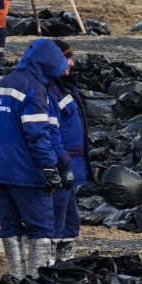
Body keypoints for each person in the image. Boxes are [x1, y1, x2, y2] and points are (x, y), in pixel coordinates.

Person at [0, 38, 68, 279]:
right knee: (41, 226)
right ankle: (35, 281)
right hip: (26, 171)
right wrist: (50, 166)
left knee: (9, 226)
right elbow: (37, 133)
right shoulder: (34, 88)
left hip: (0, 168)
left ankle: (16, 277)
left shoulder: (4, 83)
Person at [49, 41, 91, 264]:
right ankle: (47, 267)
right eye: (67, 58)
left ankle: (65, 263)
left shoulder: (65, 86)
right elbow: (50, 133)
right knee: (55, 217)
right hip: (60, 166)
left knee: (69, 217)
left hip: (71, 165)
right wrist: (62, 162)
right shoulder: (50, 91)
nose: (72, 63)